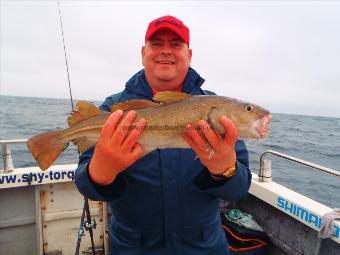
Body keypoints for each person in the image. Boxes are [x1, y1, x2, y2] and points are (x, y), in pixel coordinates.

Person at [75, 15, 251, 255]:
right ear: (142, 52)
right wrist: (100, 172)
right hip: (132, 248)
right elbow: (86, 187)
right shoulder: (113, 109)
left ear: (189, 55)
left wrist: (225, 170)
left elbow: (239, 189)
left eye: (176, 45)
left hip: (204, 248)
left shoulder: (217, 110)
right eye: (157, 44)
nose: (166, 51)